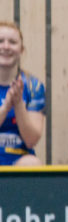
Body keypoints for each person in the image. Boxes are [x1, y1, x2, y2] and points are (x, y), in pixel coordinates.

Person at [0, 21, 46, 166]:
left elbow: (31, 140)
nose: (6, 46)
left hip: (19, 162)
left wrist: (19, 104)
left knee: (33, 163)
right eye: (0, 41)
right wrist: (6, 107)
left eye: (12, 42)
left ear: (21, 51)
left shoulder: (34, 86)